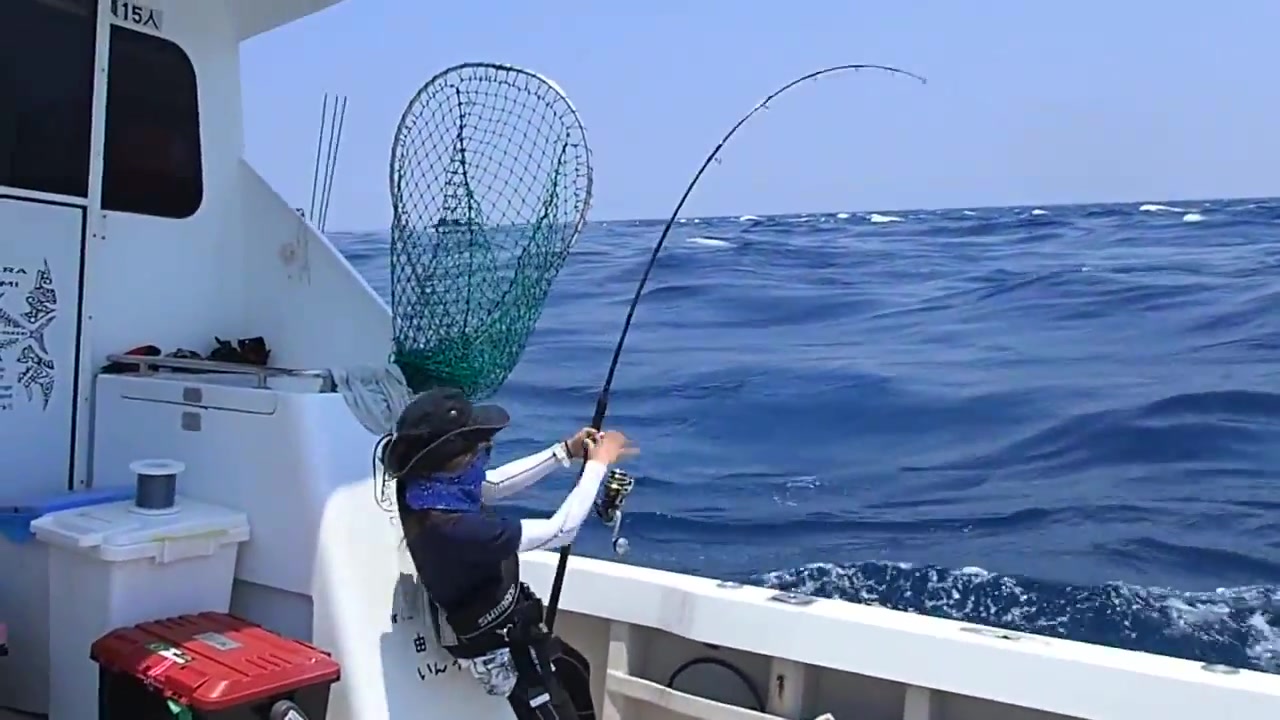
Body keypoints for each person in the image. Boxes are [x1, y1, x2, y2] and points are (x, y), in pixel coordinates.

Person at [378, 386, 634, 720]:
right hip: (504, 651)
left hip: (504, 630)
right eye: (479, 447)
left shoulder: (423, 489)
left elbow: (493, 485)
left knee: (576, 671)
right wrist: (598, 464)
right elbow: (561, 530)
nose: (486, 450)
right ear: (459, 458)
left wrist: (565, 452)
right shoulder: (457, 529)